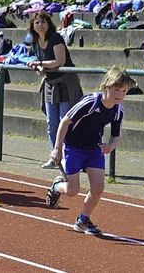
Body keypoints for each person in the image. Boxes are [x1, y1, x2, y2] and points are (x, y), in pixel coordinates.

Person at [48, 67, 137, 235]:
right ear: (105, 87)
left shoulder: (119, 110)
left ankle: (83, 219)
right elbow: (64, 122)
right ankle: (56, 187)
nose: (120, 95)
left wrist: (110, 146)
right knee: (72, 191)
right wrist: (57, 149)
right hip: (73, 147)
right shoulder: (90, 102)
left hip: (94, 149)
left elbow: (116, 136)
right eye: (116, 89)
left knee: (98, 188)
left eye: (124, 91)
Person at [26, 10, 83, 170]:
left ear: (48, 24)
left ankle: (68, 156)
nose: (40, 25)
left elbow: (60, 61)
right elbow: (42, 66)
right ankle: (55, 154)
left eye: (43, 22)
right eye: (37, 23)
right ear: (33, 25)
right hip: (50, 82)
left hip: (65, 83)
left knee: (65, 121)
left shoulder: (55, 38)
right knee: (51, 122)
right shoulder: (35, 41)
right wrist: (37, 67)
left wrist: (40, 63)